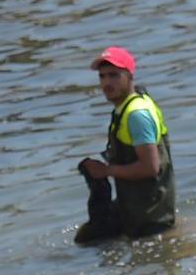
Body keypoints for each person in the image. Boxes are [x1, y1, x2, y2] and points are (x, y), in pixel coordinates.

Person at [75, 45, 175, 244]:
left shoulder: (137, 115)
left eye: (114, 75)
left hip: (150, 220)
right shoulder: (126, 108)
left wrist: (105, 171)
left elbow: (150, 167)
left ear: (129, 76)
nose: (106, 82)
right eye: (102, 77)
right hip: (137, 210)